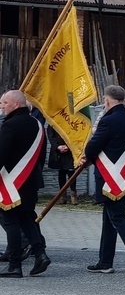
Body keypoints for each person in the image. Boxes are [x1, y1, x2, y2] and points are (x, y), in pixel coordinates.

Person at [81, 85, 125, 276]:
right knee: (109, 218)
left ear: (106, 101)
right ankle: (105, 261)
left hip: (110, 178)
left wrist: (87, 156)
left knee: (118, 217)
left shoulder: (108, 120)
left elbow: (92, 147)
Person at [0, 90, 51, 278]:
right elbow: (41, 156)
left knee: (10, 220)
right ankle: (40, 254)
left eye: (5, 102)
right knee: (27, 218)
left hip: (12, 183)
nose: (2, 106)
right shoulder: (38, 125)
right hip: (31, 181)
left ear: (16, 104)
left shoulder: (10, 126)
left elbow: (1, 154)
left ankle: (14, 265)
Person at [47, 125, 78, 205]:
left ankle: (73, 195)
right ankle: (62, 195)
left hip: (70, 150)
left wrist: (69, 146)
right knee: (61, 172)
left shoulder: (71, 120)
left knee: (71, 172)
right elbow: (51, 136)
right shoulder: (53, 121)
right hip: (58, 152)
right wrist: (58, 146)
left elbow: (76, 134)